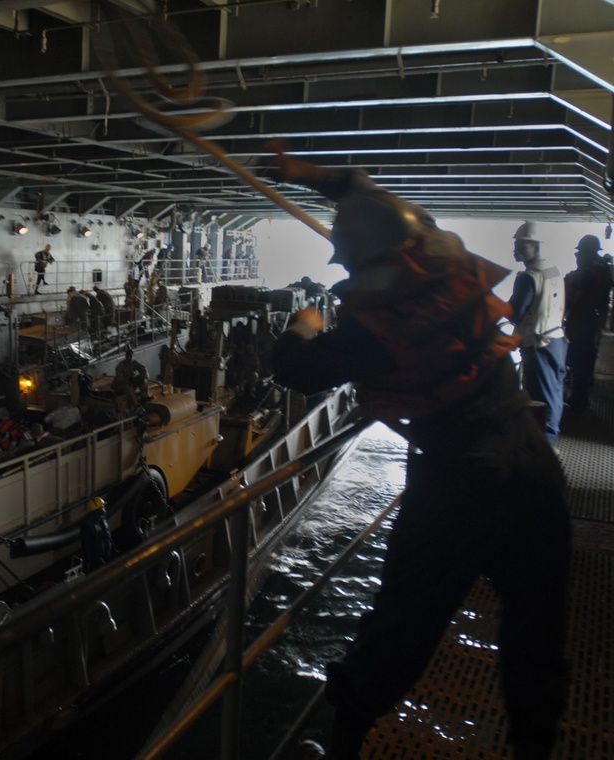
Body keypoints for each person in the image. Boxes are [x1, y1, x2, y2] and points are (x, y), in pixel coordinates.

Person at [264, 148, 569, 760]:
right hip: (532, 463)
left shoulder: (371, 333)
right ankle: (536, 746)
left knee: (401, 623)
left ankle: (347, 736)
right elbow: (367, 192)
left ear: (356, 261)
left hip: (457, 483)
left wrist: (303, 322)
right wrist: (309, 175)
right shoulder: (446, 259)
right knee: (537, 630)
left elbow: (292, 369)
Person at [507, 222, 567, 443]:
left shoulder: (528, 277)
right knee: (554, 392)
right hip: (557, 340)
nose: (515, 250)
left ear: (534, 246)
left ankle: (544, 443)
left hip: (537, 344)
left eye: (520, 245)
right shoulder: (553, 270)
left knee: (539, 396)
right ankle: (551, 435)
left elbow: (515, 312)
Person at [564, 233, 612, 410]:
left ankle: (578, 399)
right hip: (594, 321)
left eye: (580, 253)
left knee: (578, 359)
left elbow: (572, 299)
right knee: (586, 359)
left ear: (586, 253)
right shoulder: (602, 271)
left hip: (581, 321)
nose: (578, 257)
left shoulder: (587, 274)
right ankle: (580, 396)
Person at [79, 496, 114, 572]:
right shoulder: (88, 525)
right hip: (96, 562)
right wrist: (96, 559)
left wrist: (113, 548)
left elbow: (107, 535)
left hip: (106, 556)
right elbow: (87, 545)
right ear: (96, 510)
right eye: (102, 507)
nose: (104, 508)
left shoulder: (102, 519)